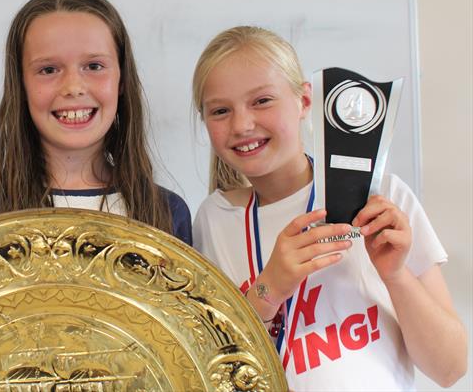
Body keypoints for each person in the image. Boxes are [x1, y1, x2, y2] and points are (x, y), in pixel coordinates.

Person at [190, 26, 466, 390]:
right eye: (221, 110)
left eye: (262, 101)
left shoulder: (380, 198)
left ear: (305, 101)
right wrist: (268, 289)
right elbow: (211, 370)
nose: (242, 124)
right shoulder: (213, 219)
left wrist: (396, 275)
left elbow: (450, 368)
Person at [0, 0, 192, 244]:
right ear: (21, 86)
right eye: (49, 69)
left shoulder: (168, 212)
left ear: (122, 80)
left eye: (94, 66)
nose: (73, 87)